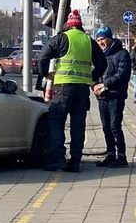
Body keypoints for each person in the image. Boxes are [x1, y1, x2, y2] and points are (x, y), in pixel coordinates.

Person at [36, 10, 107, 173]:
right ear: (80, 25)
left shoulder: (60, 39)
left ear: (67, 25)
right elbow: (102, 64)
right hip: (82, 89)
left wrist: (46, 74)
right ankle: (75, 162)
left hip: (63, 88)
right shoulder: (89, 41)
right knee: (78, 125)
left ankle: (58, 158)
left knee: (56, 121)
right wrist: (91, 77)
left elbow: (42, 58)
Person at [93, 27, 132, 167]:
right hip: (102, 96)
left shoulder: (122, 54)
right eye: (98, 40)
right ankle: (110, 154)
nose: (100, 42)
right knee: (106, 127)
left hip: (115, 95)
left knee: (115, 126)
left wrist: (105, 85)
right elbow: (94, 73)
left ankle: (121, 156)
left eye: (102, 39)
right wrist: (95, 86)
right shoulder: (99, 55)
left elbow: (122, 75)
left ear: (109, 38)